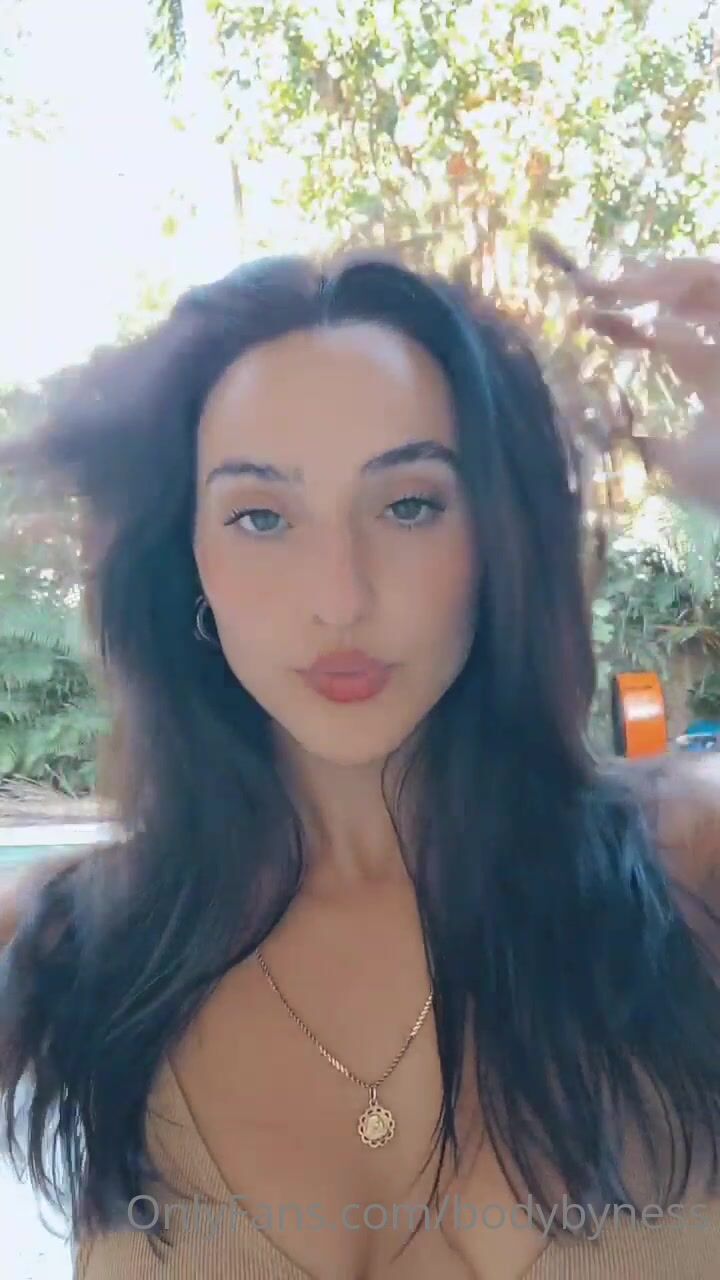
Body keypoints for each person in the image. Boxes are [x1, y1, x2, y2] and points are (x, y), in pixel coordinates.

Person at [0, 250, 718, 1280]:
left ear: (499, 537)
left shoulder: (687, 867)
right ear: (186, 556)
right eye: (261, 516)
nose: (340, 596)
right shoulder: (67, 945)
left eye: (409, 505)